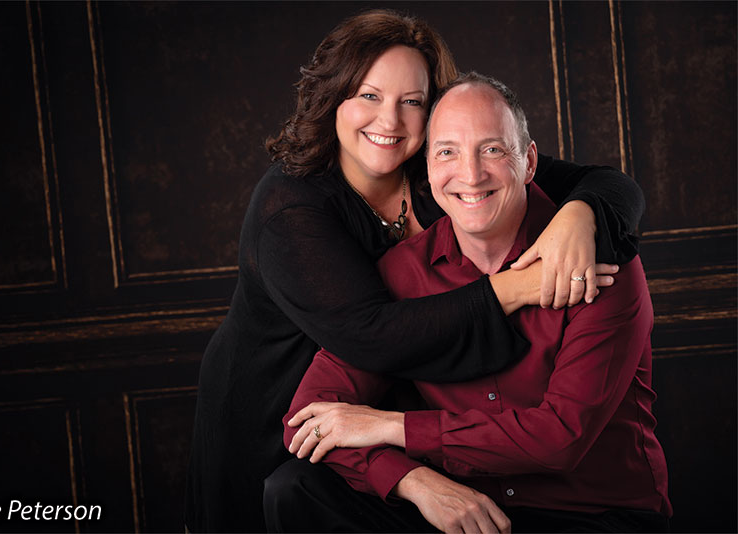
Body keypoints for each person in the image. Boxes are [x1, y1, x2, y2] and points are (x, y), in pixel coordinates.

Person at [184, 9, 645, 532]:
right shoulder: (291, 208)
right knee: (289, 494)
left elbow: (609, 184)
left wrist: (582, 213)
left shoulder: (446, 168)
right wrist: (514, 288)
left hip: (393, 422)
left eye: (412, 102)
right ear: (333, 98)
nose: (390, 121)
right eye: (368, 95)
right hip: (276, 409)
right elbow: (375, 337)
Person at [268, 72, 671, 533]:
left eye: (492, 149)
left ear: (529, 162)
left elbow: (560, 438)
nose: (471, 175)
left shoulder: (596, 261)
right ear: (427, 168)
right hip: (461, 510)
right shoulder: (404, 271)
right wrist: (414, 482)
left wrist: (392, 427)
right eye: (447, 152)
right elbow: (309, 419)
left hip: (589, 513)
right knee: (295, 488)